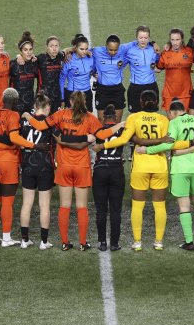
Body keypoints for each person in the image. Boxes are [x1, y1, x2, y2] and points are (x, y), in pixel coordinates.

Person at [24, 91, 125, 251]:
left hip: (64, 165)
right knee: (82, 207)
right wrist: (119, 125)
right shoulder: (90, 118)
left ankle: (65, 242)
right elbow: (104, 134)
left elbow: (40, 125)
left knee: (64, 206)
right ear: (84, 102)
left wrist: (27, 116)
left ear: (70, 102)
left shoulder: (60, 114)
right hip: (81, 165)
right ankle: (83, 243)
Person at [93, 90, 189, 251]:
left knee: (138, 206)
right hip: (159, 165)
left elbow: (123, 139)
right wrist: (191, 143)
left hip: (140, 167)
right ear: (156, 101)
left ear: (141, 102)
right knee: (159, 206)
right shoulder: (164, 119)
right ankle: (158, 242)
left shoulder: (133, 118)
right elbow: (172, 143)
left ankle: (137, 242)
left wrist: (102, 145)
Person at [138, 99, 194, 250]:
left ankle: (188, 242)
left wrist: (146, 150)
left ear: (172, 112)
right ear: (184, 109)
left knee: (184, 205)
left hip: (180, 168)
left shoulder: (174, 123)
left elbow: (168, 145)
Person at [0, 88, 45, 247]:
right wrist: (33, 145)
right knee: (7, 202)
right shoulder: (14, 115)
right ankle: (6, 238)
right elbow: (13, 139)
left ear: (3, 100)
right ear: (16, 102)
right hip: (8, 163)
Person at [17, 91, 55, 250]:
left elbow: (19, 144)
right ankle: (44, 242)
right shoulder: (49, 122)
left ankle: (24, 240)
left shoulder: (25, 121)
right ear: (45, 107)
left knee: (27, 203)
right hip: (44, 164)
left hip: (27, 163)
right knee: (44, 204)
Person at [92, 104, 125, 251]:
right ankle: (114, 243)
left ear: (104, 118)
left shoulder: (98, 130)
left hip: (100, 170)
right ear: (116, 118)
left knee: (101, 209)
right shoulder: (122, 130)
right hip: (116, 169)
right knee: (115, 209)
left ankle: (102, 242)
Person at [92, 34, 129, 122]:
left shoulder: (123, 51)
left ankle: (116, 136)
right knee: (101, 119)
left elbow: (138, 42)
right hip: (102, 90)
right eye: (110, 49)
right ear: (106, 46)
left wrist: (153, 43)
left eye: (115, 50)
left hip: (117, 90)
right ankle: (102, 136)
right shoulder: (97, 51)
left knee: (117, 119)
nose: (113, 52)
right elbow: (81, 49)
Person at [156, 28, 193, 114]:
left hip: (185, 94)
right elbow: (157, 69)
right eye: (172, 40)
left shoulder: (189, 52)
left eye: (177, 39)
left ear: (182, 39)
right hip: (169, 94)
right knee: (172, 123)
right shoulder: (165, 53)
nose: (175, 43)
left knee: (184, 123)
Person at [124, 26, 160, 113]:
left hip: (151, 87)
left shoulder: (154, 50)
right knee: (135, 117)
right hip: (135, 88)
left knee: (151, 116)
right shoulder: (130, 51)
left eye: (145, 38)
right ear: (136, 37)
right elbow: (120, 64)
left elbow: (159, 67)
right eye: (140, 37)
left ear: (149, 38)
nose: (143, 40)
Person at [60, 34, 95, 112]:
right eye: (81, 49)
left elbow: (94, 70)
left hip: (87, 92)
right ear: (75, 48)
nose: (84, 51)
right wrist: (62, 98)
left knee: (87, 119)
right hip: (73, 93)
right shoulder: (68, 59)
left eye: (86, 49)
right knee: (72, 120)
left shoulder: (91, 57)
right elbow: (62, 80)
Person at [10, 31, 40, 115]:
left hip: (31, 104)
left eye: (30, 49)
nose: (28, 52)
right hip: (16, 104)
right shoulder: (13, 64)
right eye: (25, 50)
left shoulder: (35, 63)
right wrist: (18, 56)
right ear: (21, 51)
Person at [36, 36, 66, 114]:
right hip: (43, 97)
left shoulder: (60, 56)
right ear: (47, 47)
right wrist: (19, 56)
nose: (54, 48)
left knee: (55, 122)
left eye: (56, 46)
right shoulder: (40, 59)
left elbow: (68, 50)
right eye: (51, 46)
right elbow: (28, 58)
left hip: (57, 97)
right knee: (43, 122)